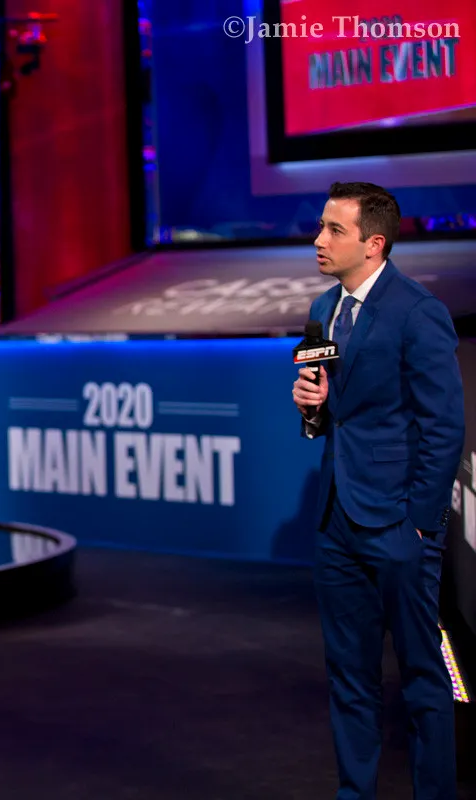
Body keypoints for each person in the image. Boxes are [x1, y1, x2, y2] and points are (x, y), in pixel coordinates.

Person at [292, 182, 463, 800]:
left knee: (421, 678)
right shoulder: (323, 307)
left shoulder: (418, 312)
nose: (319, 240)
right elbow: (325, 414)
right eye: (321, 227)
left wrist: (419, 522)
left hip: (398, 525)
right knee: (349, 676)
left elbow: (444, 427)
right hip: (336, 521)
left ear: (374, 244)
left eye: (334, 230)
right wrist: (311, 407)